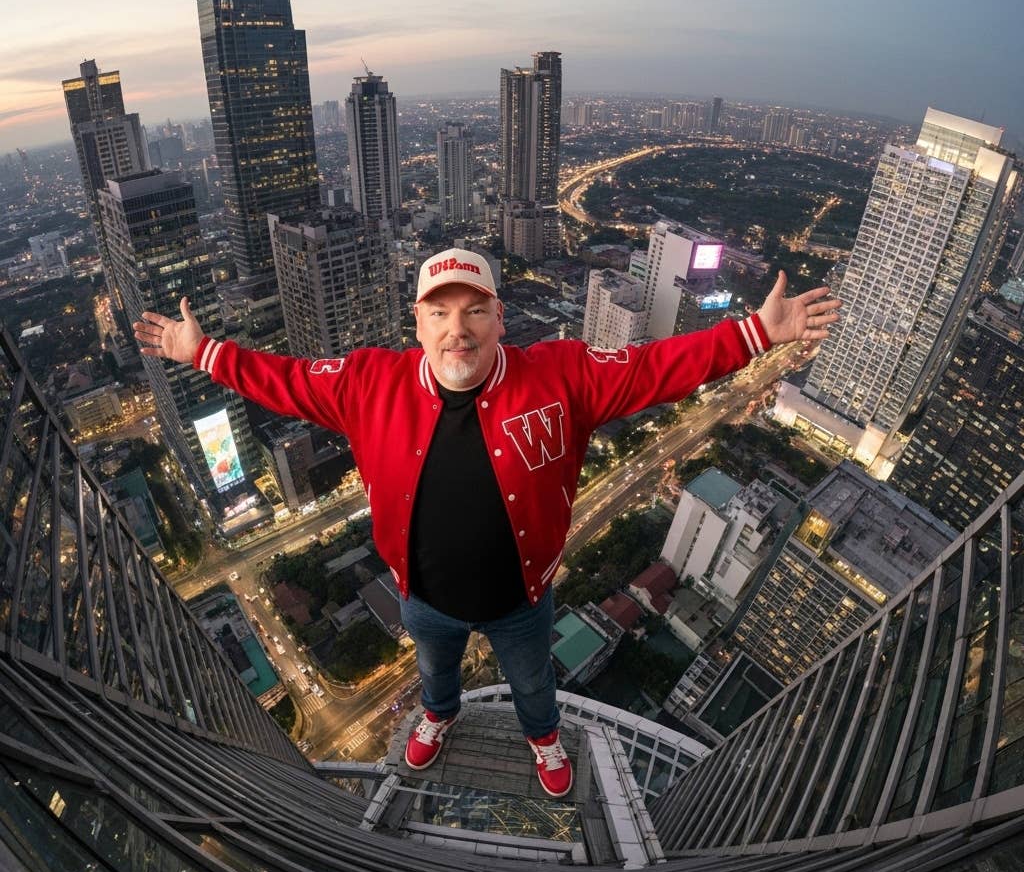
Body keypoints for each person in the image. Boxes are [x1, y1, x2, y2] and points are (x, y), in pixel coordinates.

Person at [133, 248, 840, 798]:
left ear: (500, 319)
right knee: (434, 674)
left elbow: (660, 366)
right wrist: (201, 353)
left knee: (534, 685)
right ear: (417, 324)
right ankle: (438, 718)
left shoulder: (561, 376)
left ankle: (543, 741)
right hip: (423, 599)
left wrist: (756, 333)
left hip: (522, 602)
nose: (457, 328)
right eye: (439, 312)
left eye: (475, 310)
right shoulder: (369, 383)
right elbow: (282, 379)